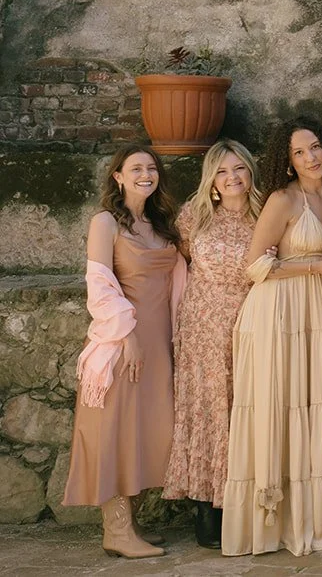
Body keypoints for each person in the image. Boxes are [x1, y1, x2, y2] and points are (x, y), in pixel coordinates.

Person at [222, 116, 322, 557]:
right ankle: (277, 521)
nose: (310, 157)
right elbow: (255, 266)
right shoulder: (283, 200)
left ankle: (318, 517)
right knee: (283, 407)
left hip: (321, 312)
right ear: (288, 161)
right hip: (279, 312)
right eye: (299, 152)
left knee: (319, 405)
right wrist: (316, 266)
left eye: (315, 147)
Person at [64, 144, 186, 559]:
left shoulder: (161, 223)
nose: (145, 174)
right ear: (118, 176)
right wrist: (127, 336)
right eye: (135, 168)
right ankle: (115, 531)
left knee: (145, 430)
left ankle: (129, 524)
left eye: (151, 168)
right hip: (123, 342)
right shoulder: (105, 222)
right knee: (114, 430)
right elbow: (99, 284)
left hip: (160, 342)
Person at [163, 140, 261, 549]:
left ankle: (244, 502)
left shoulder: (266, 213)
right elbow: (180, 260)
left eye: (239, 168)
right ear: (211, 179)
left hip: (250, 321)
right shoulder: (195, 215)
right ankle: (206, 504)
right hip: (202, 326)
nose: (231, 177)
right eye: (222, 171)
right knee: (207, 409)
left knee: (244, 407)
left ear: (250, 172)